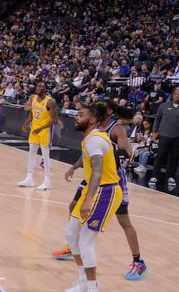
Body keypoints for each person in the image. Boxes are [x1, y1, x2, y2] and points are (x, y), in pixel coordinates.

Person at [59, 101, 147, 280]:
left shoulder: (117, 128)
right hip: (93, 178)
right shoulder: (94, 127)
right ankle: (73, 245)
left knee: (124, 221)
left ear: (107, 111)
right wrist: (74, 167)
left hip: (112, 179)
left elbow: (128, 153)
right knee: (73, 205)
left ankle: (138, 261)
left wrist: (110, 153)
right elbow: (87, 154)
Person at [63, 103, 123, 292]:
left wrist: (87, 200)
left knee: (86, 240)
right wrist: (73, 166)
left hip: (105, 191)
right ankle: (82, 281)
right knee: (71, 232)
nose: (75, 117)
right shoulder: (90, 138)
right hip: (95, 189)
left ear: (91, 120)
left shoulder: (95, 140)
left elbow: (97, 172)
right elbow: (87, 156)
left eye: (80, 115)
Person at [18, 82, 63, 190]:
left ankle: (47, 181)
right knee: (31, 154)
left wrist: (41, 128)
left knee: (45, 156)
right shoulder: (33, 98)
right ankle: (29, 178)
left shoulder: (50, 101)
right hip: (34, 130)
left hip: (44, 131)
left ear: (45, 88)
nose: (39, 88)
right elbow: (32, 114)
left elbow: (53, 119)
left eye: (41, 86)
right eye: (38, 86)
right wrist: (25, 124)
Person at [149, 87, 179, 190]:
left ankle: (171, 177)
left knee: (174, 158)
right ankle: (154, 177)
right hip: (164, 136)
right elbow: (157, 120)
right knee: (160, 157)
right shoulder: (164, 106)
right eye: (176, 93)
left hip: (177, 137)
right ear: (172, 94)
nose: (177, 95)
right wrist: (154, 132)